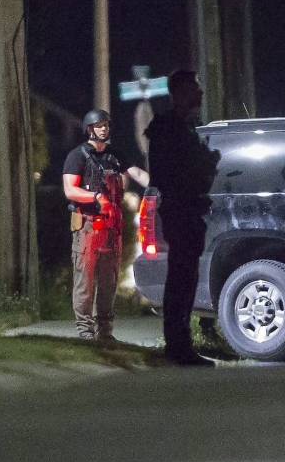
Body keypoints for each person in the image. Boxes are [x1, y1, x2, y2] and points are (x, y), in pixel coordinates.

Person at [144, 70, 221, 365]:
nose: (200, 94)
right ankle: (178, 345)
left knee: (187, 279)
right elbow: (168, 174)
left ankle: (181, 344)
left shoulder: (187, 128)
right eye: (195, 89)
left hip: (190, 210)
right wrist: (202, 166)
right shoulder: (167, 129)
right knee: (180, 279)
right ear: (179, 92)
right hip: (180, 210)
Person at [62, 109, 149, 341]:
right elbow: (69, 189)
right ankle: (85, 331)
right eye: (99, 125)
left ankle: (105, 332)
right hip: (87, 228)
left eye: (106, 125)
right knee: (85, 281)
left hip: (111, 229)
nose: (103, 129)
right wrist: (93, 198)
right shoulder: (77, 156)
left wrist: (158, 184)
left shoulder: (114, 156)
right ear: (89, 129)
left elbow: (136, 173)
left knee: (109, 282)